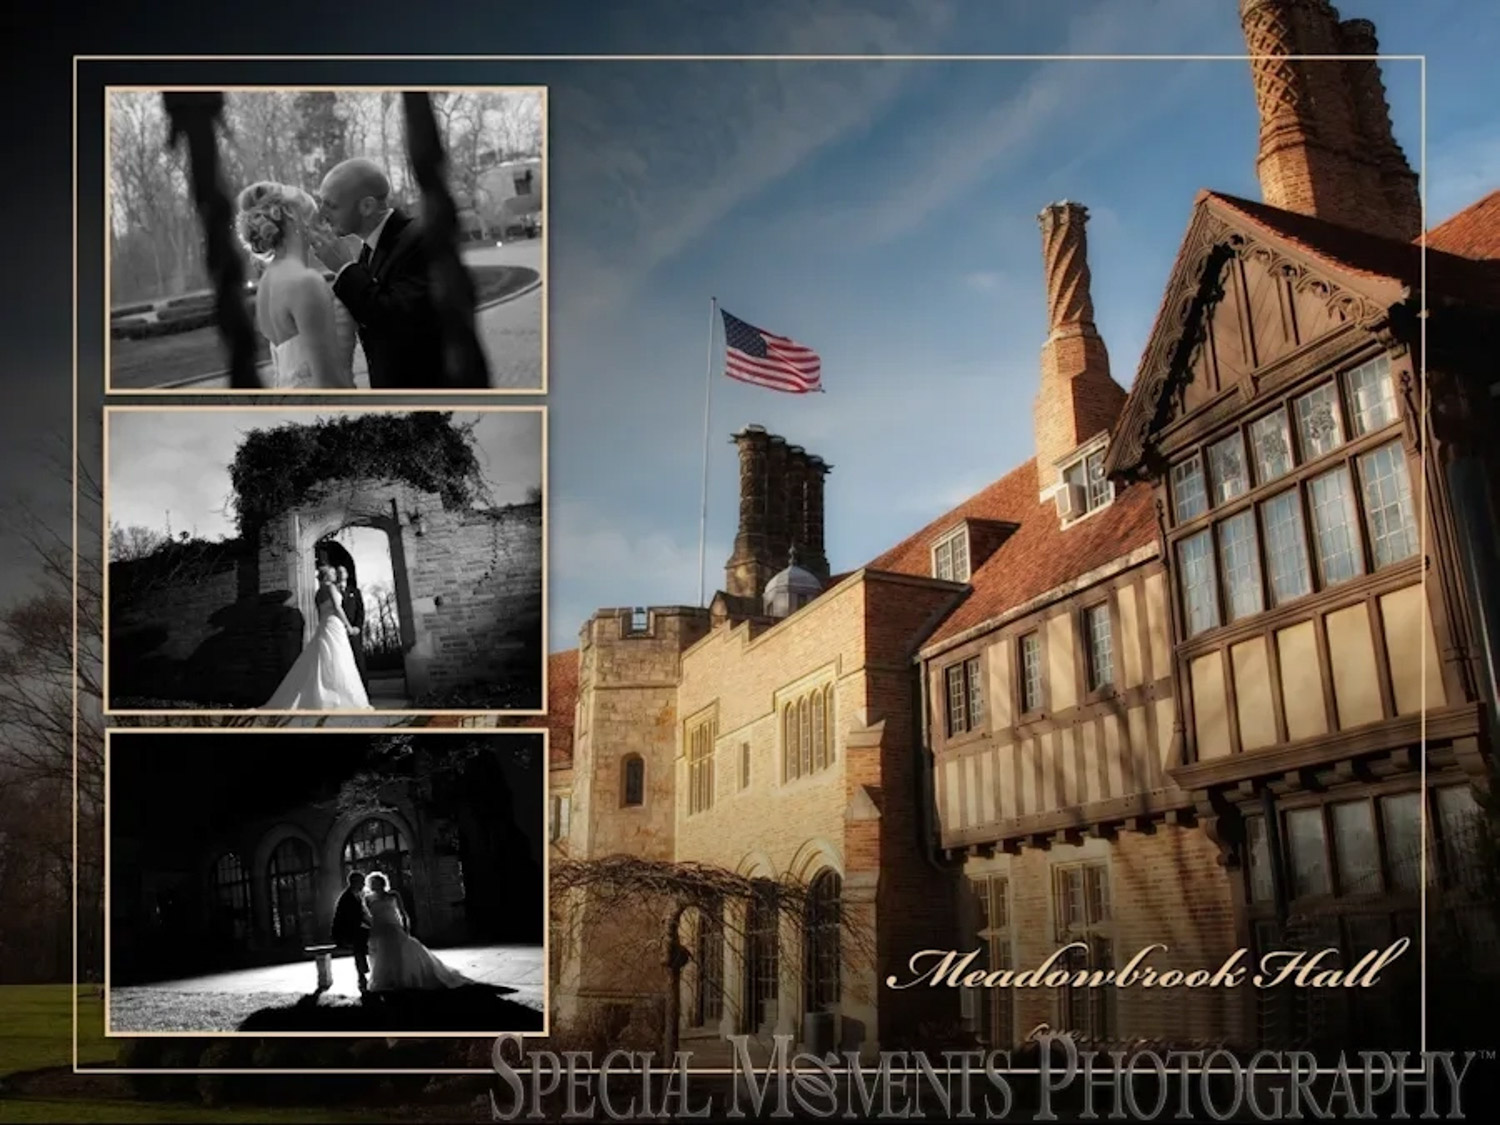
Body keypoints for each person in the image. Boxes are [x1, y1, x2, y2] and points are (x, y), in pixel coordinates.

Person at [308, 158, 447, 389]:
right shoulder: (369, 250)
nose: (322, 215)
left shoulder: (421, 239)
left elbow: (395, 321)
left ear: (367, 206)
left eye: (331, 206)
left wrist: (344, 268)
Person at [234, 182, 357, 389]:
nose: (323, 224)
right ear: (291, 213)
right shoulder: (305, 282)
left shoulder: (266, 283)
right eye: (314, 215)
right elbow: (329, 386)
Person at [261, 564, 373, 711]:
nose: (335, 575)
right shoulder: (331, 588)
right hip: (335, 625)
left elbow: (321, 614)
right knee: (339, 659)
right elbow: (338, 609)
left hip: (325, 626)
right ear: (327, 576)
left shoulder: (318, 593)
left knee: (323, 659)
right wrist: (348, 626)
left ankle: (325, 693)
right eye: (332, 573)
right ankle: (340, 695)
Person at [363, 871, 474, 992]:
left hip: (392, 926)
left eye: (376, 882)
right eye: (371, 883)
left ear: (382, 883)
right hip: (378, 929)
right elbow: (367, 916)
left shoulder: (393, 895)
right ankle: (386, 979)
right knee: (380, 955)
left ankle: (401, 977)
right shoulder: (367, 898)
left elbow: (402, 913)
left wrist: (406, 928)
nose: (373, 885)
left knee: (398, 953)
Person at [330, 871, 373, 994]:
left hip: (352, 930)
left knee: (365, 937)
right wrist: (369, 926)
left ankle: (365, 973)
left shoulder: (356, 895)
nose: (364, 884)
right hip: (344, 933)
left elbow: (361, 917)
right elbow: (352, 919)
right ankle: (362, 977)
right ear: (354, 882)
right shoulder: (347, 897)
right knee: (360, 943)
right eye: (362, 882)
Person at [337, 565, 370, 692]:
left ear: (347, 574)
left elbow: (360, 611)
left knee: (358, 660)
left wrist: (357, 627)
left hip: (354, 632)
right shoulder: (333, 591)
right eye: (338, 571)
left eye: (343, 571)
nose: (341, 573)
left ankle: (365, 691)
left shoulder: (355, 592)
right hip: (339, 632)